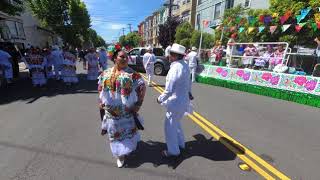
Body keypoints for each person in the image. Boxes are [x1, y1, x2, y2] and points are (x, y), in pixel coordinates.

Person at [98, 49, 146, 168]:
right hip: (111, 111)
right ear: (115, 58)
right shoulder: (106, 73)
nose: (125, 59)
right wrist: (100, 102)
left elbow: (142, 88)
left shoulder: (132, 74)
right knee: (114, 133)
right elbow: (100, 88)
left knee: (128, 132)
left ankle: (126, 149)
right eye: (122, 56)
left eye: (126, 57)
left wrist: (138, 105)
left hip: (126, 111)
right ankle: (120, 155)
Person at [157, 43, 193, 158]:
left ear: (176, 56)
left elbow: (169, 90)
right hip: (183, 101)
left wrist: (159, 99)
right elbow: (188, 83)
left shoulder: (175, 68)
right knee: (176, 124)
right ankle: (181, 144)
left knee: (170, 127)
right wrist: (189, 94)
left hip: (175, 102)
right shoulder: (185, 65)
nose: (169, 56)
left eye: (171, 54)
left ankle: (173, 151)